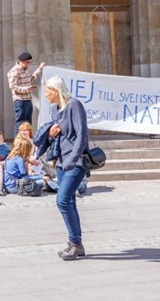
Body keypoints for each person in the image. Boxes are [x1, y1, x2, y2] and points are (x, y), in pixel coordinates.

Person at [44, 75, 89, 261]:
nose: (45, 95)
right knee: (69, 201)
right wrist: (51, 135)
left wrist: (73, 158)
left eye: (47, 91)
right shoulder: (55, 110)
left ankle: (75, 243)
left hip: (75, 162)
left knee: (62, 201)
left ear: (56, 90)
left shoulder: (74, 105)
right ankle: (76, 244)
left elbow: (81, 135)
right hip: (61, 163)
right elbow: (56, 137)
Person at [7, 52, 45, 136]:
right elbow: (12, 86)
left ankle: (28, 143)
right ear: (22, 61)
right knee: (20, 123)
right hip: (20, 100)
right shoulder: (14, 71)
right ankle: (18, 144)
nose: (29, 64)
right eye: (27, 62)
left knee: (28, 124)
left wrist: (40, 68)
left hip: (28, 99)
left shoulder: (25, 70)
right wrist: (27, 89)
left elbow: (31, 79)